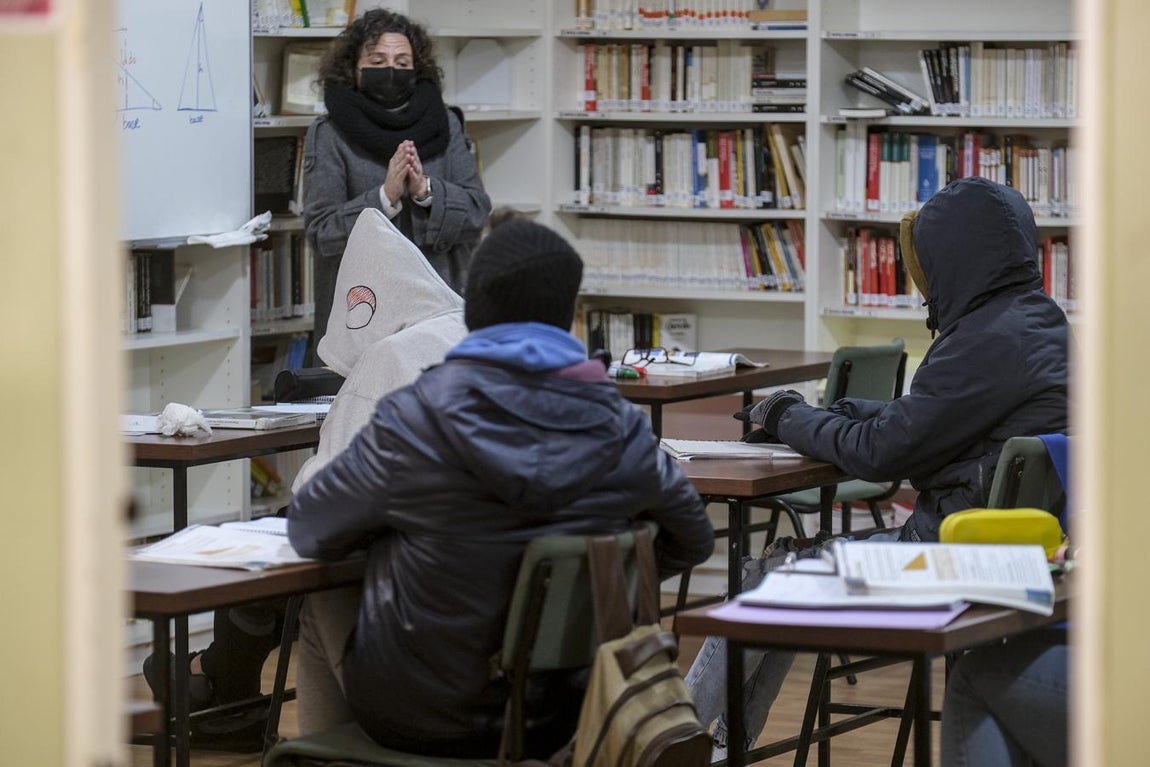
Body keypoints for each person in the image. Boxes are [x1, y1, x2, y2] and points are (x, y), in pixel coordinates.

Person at [287, 219, 715, 758]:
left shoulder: (417, 414)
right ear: (567, 315)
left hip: (423, 708)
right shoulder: (618, 425)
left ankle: (327, 758)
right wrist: (588, 587)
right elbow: (692, 540)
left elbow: (309, 528)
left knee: (322, 586)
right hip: (566, 710)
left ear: (476, 309)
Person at [685, 176, 1071, 759]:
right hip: (1017, 556)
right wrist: (843, 412)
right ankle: (717, 749)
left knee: (772, 579)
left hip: (951, 559)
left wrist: (787, 415)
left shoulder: (983, 340)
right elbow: (936, 421)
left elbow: (881, 453)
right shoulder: (1036, 322)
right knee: (782, 574)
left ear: (954, 257)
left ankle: (672, 743)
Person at [142, 207, 469, 749]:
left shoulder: (391, 356)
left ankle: (226, 694)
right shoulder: (469, 334)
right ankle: (222, 688)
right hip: (452, 573)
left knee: (270, 557)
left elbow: (322, 488)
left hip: (394, 569)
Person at [303, 7, 491, 359]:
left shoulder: (445, 124)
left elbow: (477, 212)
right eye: (378, 60)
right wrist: (384, 198)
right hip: (364, 317)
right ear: (354, 69)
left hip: (441, 312)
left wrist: (426, 193)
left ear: (417, 71)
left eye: (402, 63)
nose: (391, 70)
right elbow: (321, 232)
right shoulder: (330, 134)